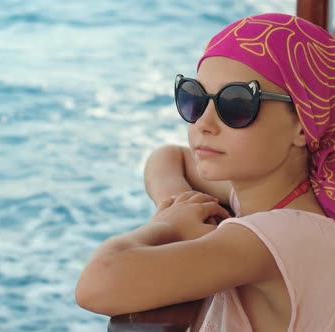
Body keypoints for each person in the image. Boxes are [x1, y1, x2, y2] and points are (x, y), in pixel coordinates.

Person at [75, 13, 335, 331]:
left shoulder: (275, 238)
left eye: (236, 104)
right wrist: (180, 205)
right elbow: (168, 158)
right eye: (194, 98)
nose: (203, 123)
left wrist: (167, 226)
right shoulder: (266, 194)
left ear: (302, 124)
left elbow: (97, 284)